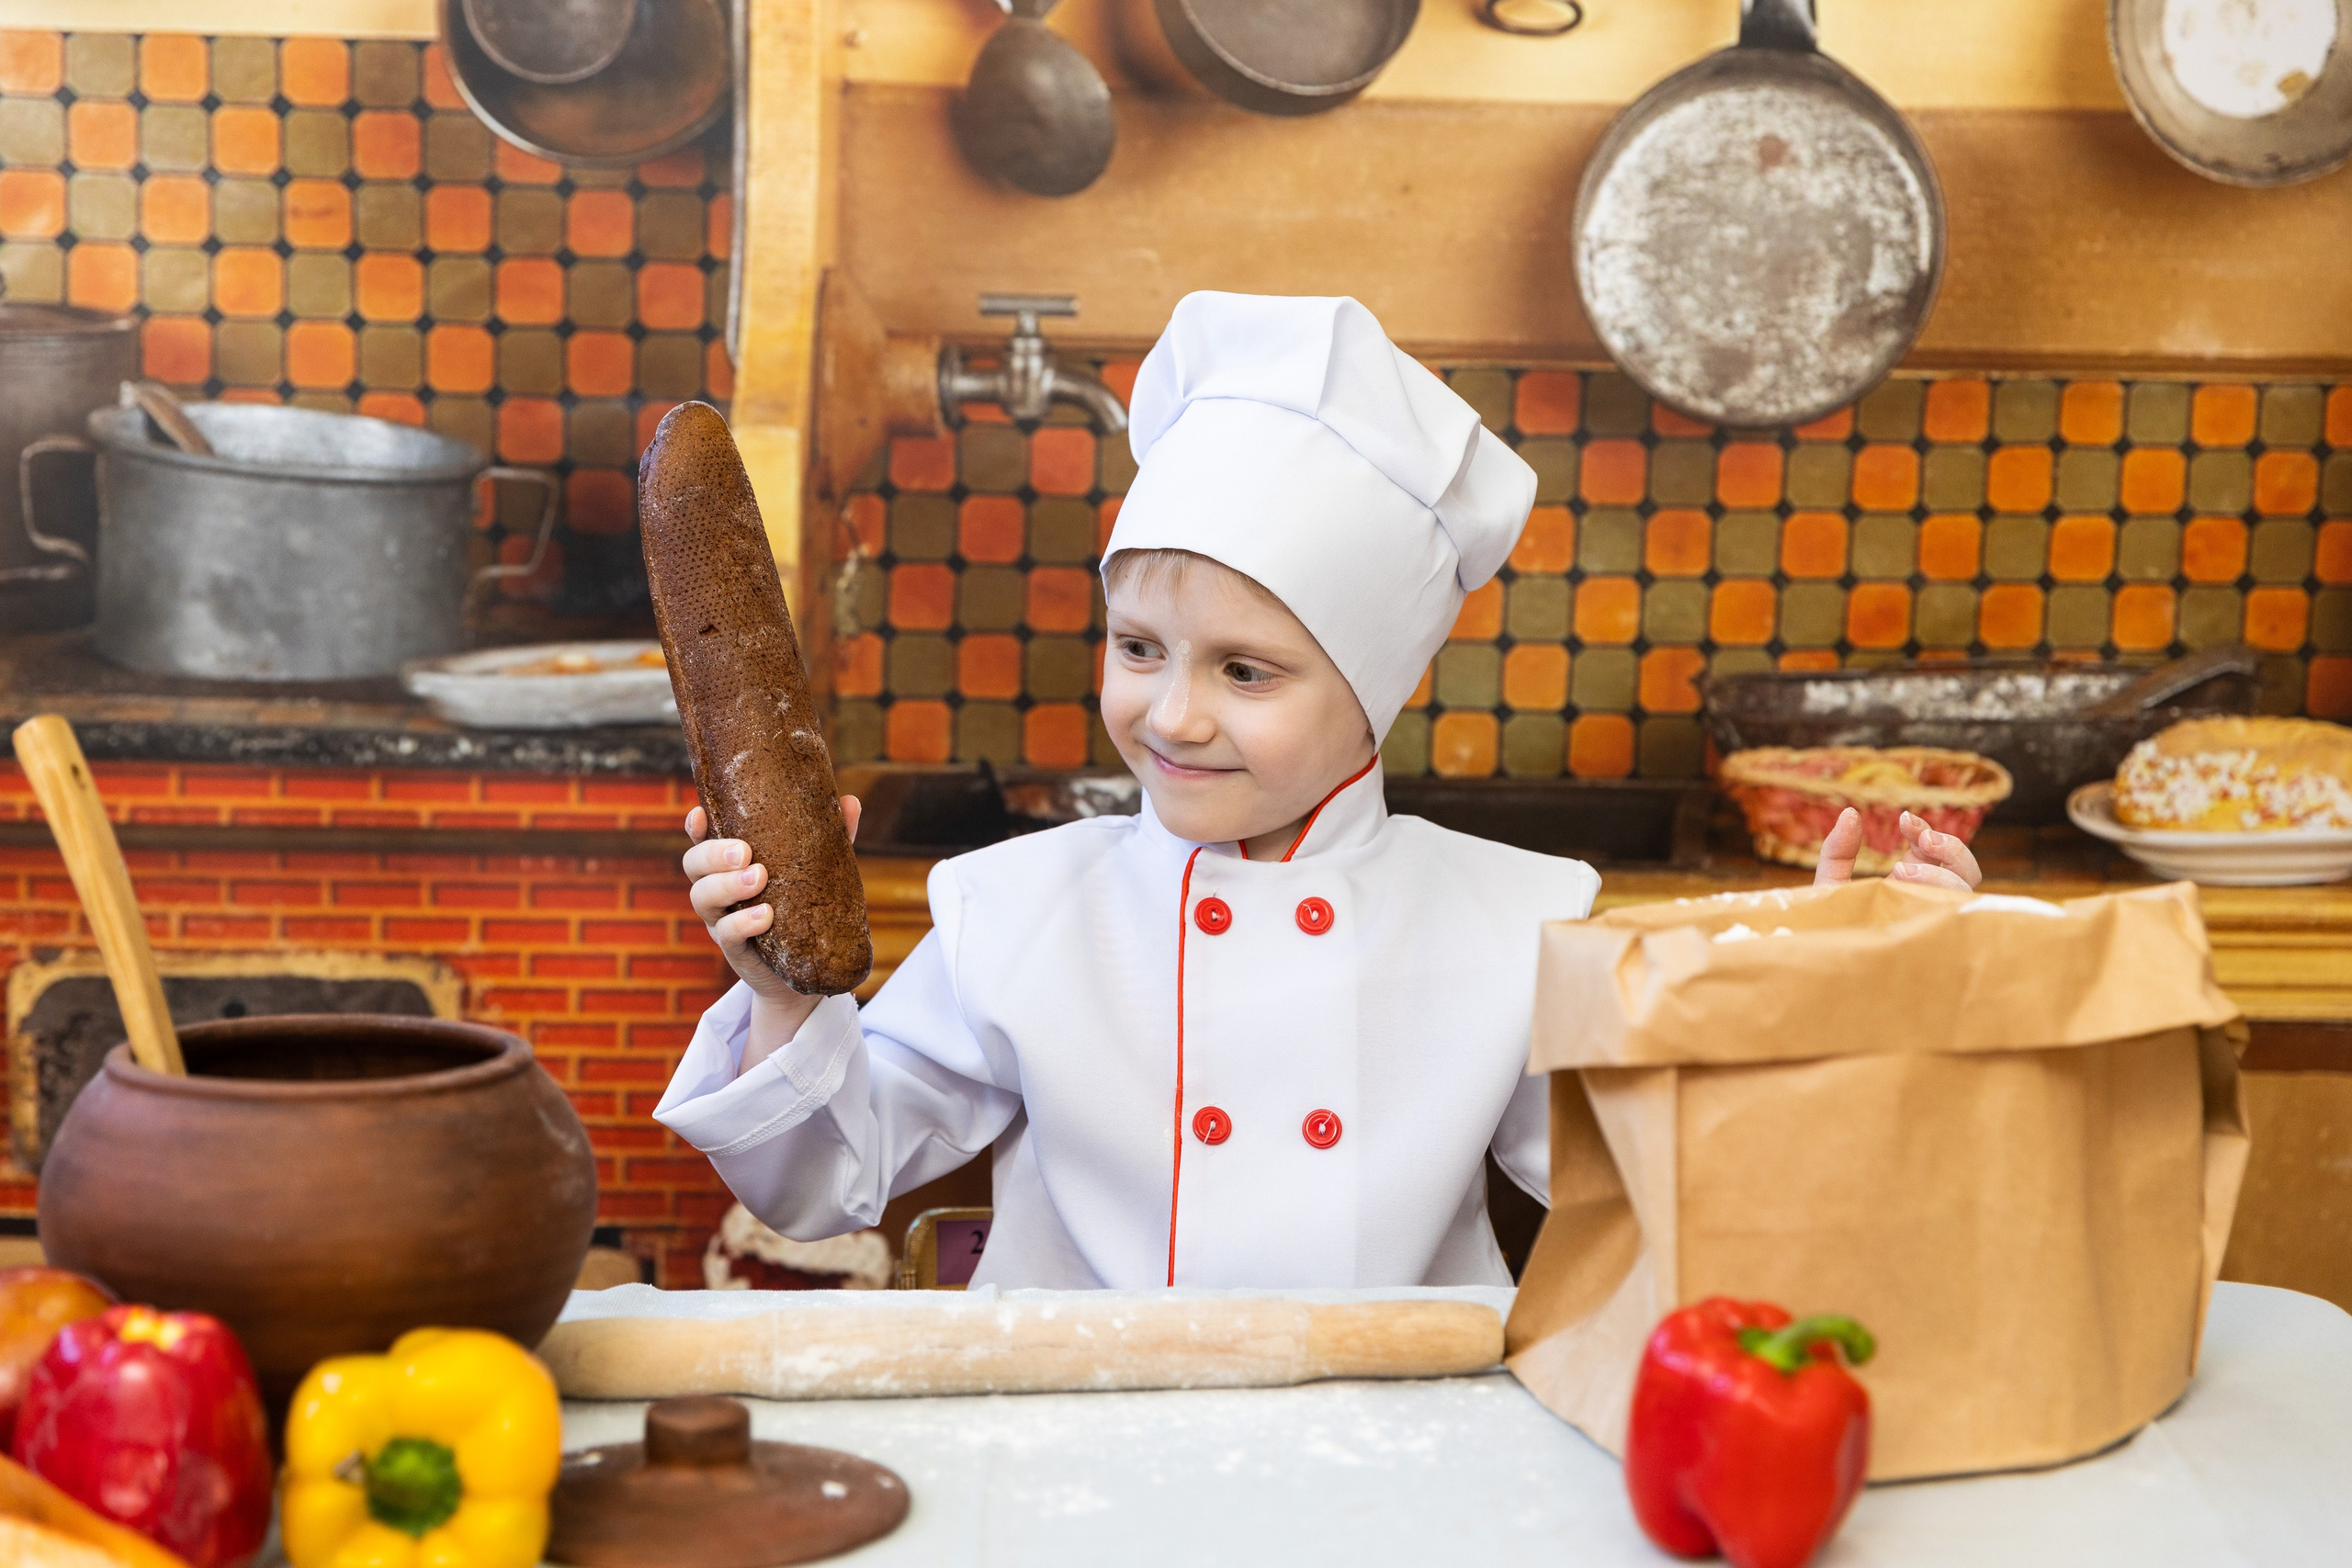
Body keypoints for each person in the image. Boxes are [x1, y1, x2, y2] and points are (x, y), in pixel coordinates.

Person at [651, 292, 1981, 1290]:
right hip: (1085, 1474)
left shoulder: (1510, 926)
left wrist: (1851, 969)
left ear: (1374, 692)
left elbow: (1681, 1184)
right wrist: (781, 997)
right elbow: (835, 1182)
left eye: (1246, 670)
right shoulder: (1021, 910)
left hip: (1403, 1485)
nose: (1172, 713)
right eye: (1138, 650)